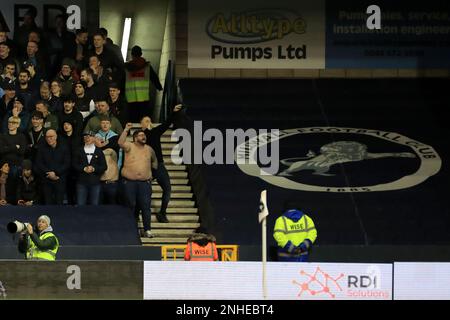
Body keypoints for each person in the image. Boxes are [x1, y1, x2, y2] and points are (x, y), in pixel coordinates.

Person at [140, 104, 182, 222]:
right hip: (145, 166)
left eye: (150, 120)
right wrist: (145, 131)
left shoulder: (155, 132)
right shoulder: (139, 135)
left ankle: (162, 212)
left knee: (167, 189)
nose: (149, 122)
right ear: (142, 124)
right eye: (146, 121)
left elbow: (166, 124)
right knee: (144, 192)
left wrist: (173, 112)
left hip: (159, 165)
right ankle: (139, 213)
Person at [119, 123, 158, 238]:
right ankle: (130, 228)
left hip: (144, 183)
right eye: (141, 135)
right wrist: (126, 129)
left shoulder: (149, 149)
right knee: (130, 205)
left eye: (144, 135)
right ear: (135, 138)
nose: (143, 137)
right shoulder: (129, 146)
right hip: (129, 182)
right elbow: (120, 143)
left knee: (146, 206)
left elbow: (155, 162)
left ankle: (147, 230)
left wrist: (153, 174)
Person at [124, 45, 162, 122]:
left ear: (132, 55)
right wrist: (159, 87)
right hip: (143, 97)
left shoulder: (127, 67)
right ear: (141, 54)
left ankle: (132, 133)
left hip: (130, 97)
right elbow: (154, 77)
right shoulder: (147, 67)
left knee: (132, 117)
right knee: (143, 118)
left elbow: (121, 80)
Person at [34, 129, 70, 204]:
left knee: (59, 203)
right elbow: (39, 163)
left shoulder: (64, 147)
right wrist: (49, 173)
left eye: (51, 136)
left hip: (59, 179)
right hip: (46, 179)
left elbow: (66, 163)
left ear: (56, 136)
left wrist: (56, 173)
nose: (49, 139)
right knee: (48, 203)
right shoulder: (42, 148)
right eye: (47, 137)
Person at [73, 131, 107, 205]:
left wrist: (94, 169)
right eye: (85, 136)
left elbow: (104, 166)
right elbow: (74, 165)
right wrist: (84, 168)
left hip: (95, 182)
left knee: (94, 206)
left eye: (90, 136)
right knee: (80, 205)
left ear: (94, 138)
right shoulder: (78, 150)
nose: (87, 138)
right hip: (81, 182)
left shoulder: (99, 151)